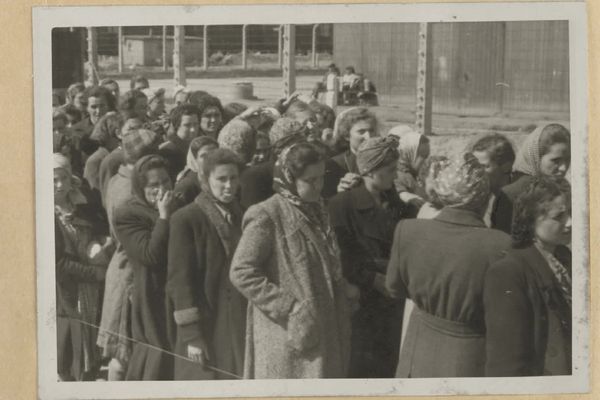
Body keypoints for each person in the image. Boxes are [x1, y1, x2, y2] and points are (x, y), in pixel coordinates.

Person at [230, 142, 355, 379]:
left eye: (321, 177)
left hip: (322, 328)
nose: (318, 185)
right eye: (310, 180)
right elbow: (241, 272)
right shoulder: (267, 215)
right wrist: (290, 308)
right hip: (285, 337)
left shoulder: (317, 209)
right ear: (289, 177)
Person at [385, 152, 511, 378]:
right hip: (471, 357)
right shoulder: (501, 244)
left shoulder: (409, 230)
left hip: (418, 347)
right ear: (483, 197)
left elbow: (394, 288)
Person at [167, 149, 247, 380]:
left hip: (235, 319)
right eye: (221, 179)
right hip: (207, 321)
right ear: (205, 180)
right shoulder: (186, 219)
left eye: (233, 178)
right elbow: (179, 281)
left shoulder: (240, 213)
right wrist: (192, 336)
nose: (229, 185)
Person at [328, 136, 405, 378]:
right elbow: (340, 254)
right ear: (370, 171)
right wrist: (372, 279)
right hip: (363, 300)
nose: (396, 176)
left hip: (391, 298)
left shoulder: (395, 202)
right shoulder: (342, 205)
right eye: (390, 170)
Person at [484, 177, 572, 376]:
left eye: (570, 213)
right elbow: (506, 361)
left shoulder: (565, 256)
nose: (570, 223)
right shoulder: (509, 272)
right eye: (559, 217)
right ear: (531, 220)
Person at [97, 128, 159, 381]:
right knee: (123, 352)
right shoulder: (129, 189)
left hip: (121, 265)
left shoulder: (117, 179)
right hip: (128, 270)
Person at [113, 155, 178, 380]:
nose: (162, 189)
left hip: (177, 290)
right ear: (141, 187)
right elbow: (150, 255)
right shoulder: (127, 214)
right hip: (151, 294)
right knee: (157, 351)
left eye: (166, 182)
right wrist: (163, 216)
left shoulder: (177, 202)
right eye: (154, 185)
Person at [54, 154, 112, 381]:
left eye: (63, 179)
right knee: (70, 347)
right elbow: (58, 264)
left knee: (91, 341)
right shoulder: (42, 214)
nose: (60, 185)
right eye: (53, 180)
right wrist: (95, 273)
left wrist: (99, 243)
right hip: (67, 292)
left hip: (90, 291)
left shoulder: (82, 206)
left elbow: (100, 229)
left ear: (71, 180)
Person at [494, 124, 570, 234]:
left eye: (567, 159)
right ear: (536, 157)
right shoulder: (511, 194)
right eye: (555, 161)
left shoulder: (564, 188)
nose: (563, 168)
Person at [239, 117, 307, 209]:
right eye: (295, 147)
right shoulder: (255, 176)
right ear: (279, 149)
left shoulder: (307, 171)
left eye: (303, 145)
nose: (302, 151)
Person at [322, 107, 378, 198]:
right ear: (347, 135)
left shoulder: (384, 160)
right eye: (361, 132)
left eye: (371, 131)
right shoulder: (334, 165)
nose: (368, 137)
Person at [470, 133, 516, 228]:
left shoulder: (517, 200)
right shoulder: (476, 197)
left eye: (484, 167)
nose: (477, 172)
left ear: (506, 166)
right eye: (475, 166)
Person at [388, 125, 431, 218]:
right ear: (408, 154)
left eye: (426, 156)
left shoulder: (417, 173)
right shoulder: (396, 175)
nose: (425, 161)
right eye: (421, 156)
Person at [71, 86, 116, 160]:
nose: (98, 111)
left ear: (108, 106)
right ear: (86, 108)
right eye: (93, 107)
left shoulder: (118, 127)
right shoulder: (77, 130)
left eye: (102, 106)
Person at [159, 104, 201, 180]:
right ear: (176, 126)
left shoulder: (198, 147)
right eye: (187, 125)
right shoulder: (168, 152)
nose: (193, 129)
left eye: (195, 124)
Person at [174, 136, 219, 205]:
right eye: (204, 156)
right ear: (195, 159)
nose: (210, 159)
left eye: (214, 154)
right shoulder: (186, 186)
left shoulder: (225, 177)